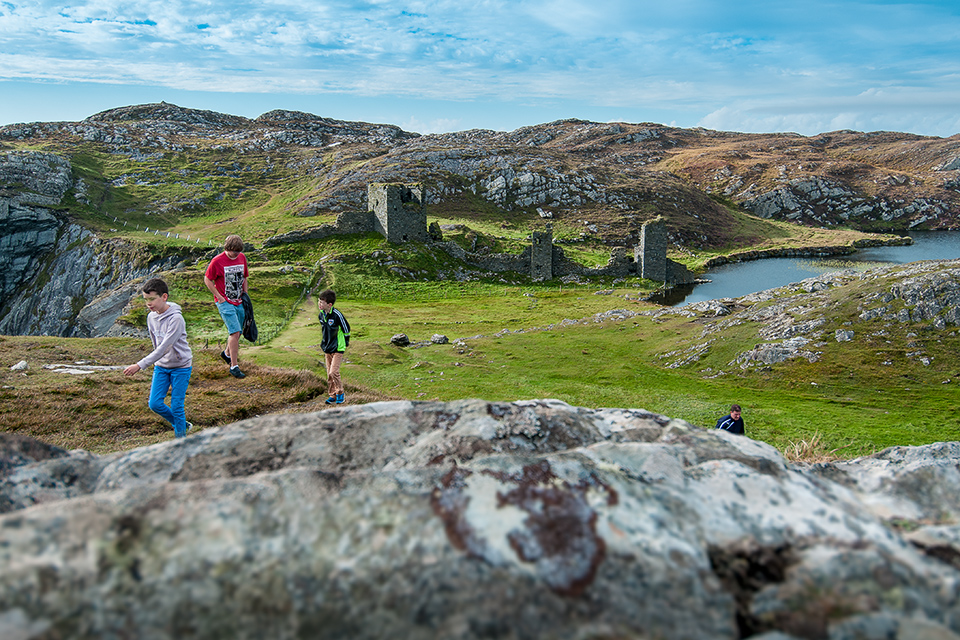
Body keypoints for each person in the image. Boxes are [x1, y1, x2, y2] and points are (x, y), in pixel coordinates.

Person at [124, 278, 193, 438]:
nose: (149, 303)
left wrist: (140, 365)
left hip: (181, 366)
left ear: (164, 297)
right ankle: (183, 425)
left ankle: (180, 442)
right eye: (146, 299)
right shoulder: (151, 317)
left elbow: (164, 347)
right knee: (154, 404)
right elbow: (155, 344)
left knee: (176, 406)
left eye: (152, 299)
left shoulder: (176, 319)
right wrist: (156, 362)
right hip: (161, 367)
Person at [204, 234, 249, 379]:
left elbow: (245, 277)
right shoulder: (217, 261)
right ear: (227, 248)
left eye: (238, 251)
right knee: (234, 332)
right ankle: (234, 366)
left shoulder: (242, 258)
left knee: (239, 331)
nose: (235, 254)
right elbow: (207, 279)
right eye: (233, 251)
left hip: (239, 300)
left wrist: (245, 295)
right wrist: (220, 297)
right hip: (224, 302)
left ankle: (226, 354)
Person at [317, 289, 351, 404]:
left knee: (333, 372)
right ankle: (332, 395)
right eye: (319, 301)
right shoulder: (321, 315)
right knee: (329, 374)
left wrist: (345, 342)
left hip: (338, 348)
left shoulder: (337, 315)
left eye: (321, 302)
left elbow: (347, 329)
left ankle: (340, 393)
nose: (319, 304)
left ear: (329, 304)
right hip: (327, 348)